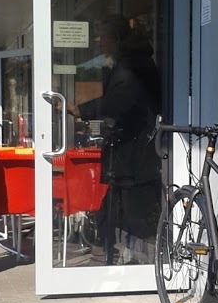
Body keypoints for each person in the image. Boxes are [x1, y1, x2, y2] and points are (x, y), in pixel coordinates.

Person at [67, 15, 161, 264]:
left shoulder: (132, 65)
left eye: (103, 35)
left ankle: (135, 262)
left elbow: (120, 101)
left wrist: (82, 110)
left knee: (129, 210)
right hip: (129, 152)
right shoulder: (128, 63)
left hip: (135, 152)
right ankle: (110, 256)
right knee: (114, 207)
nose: (98, 41)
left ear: (117, 39)